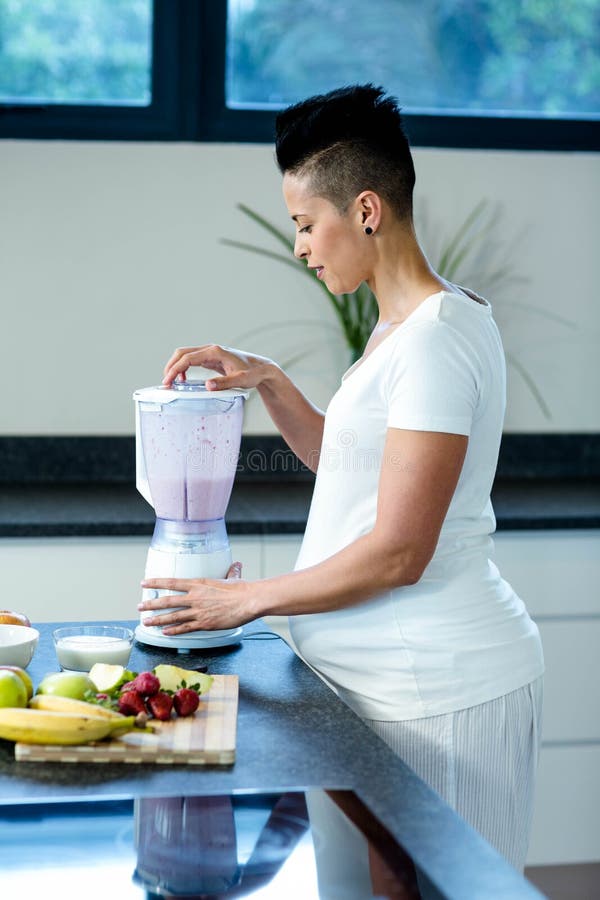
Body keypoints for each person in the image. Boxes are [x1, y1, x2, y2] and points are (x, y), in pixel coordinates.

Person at [139, 85, 544, 883]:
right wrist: (272, 383)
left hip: (438, 691)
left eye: (304, 223)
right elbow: (355, 470)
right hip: (379, 691)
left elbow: (399, 551)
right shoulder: (406, 331)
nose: (300, 246)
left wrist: (245, 601)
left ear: (365, 209)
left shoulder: (434, 338)